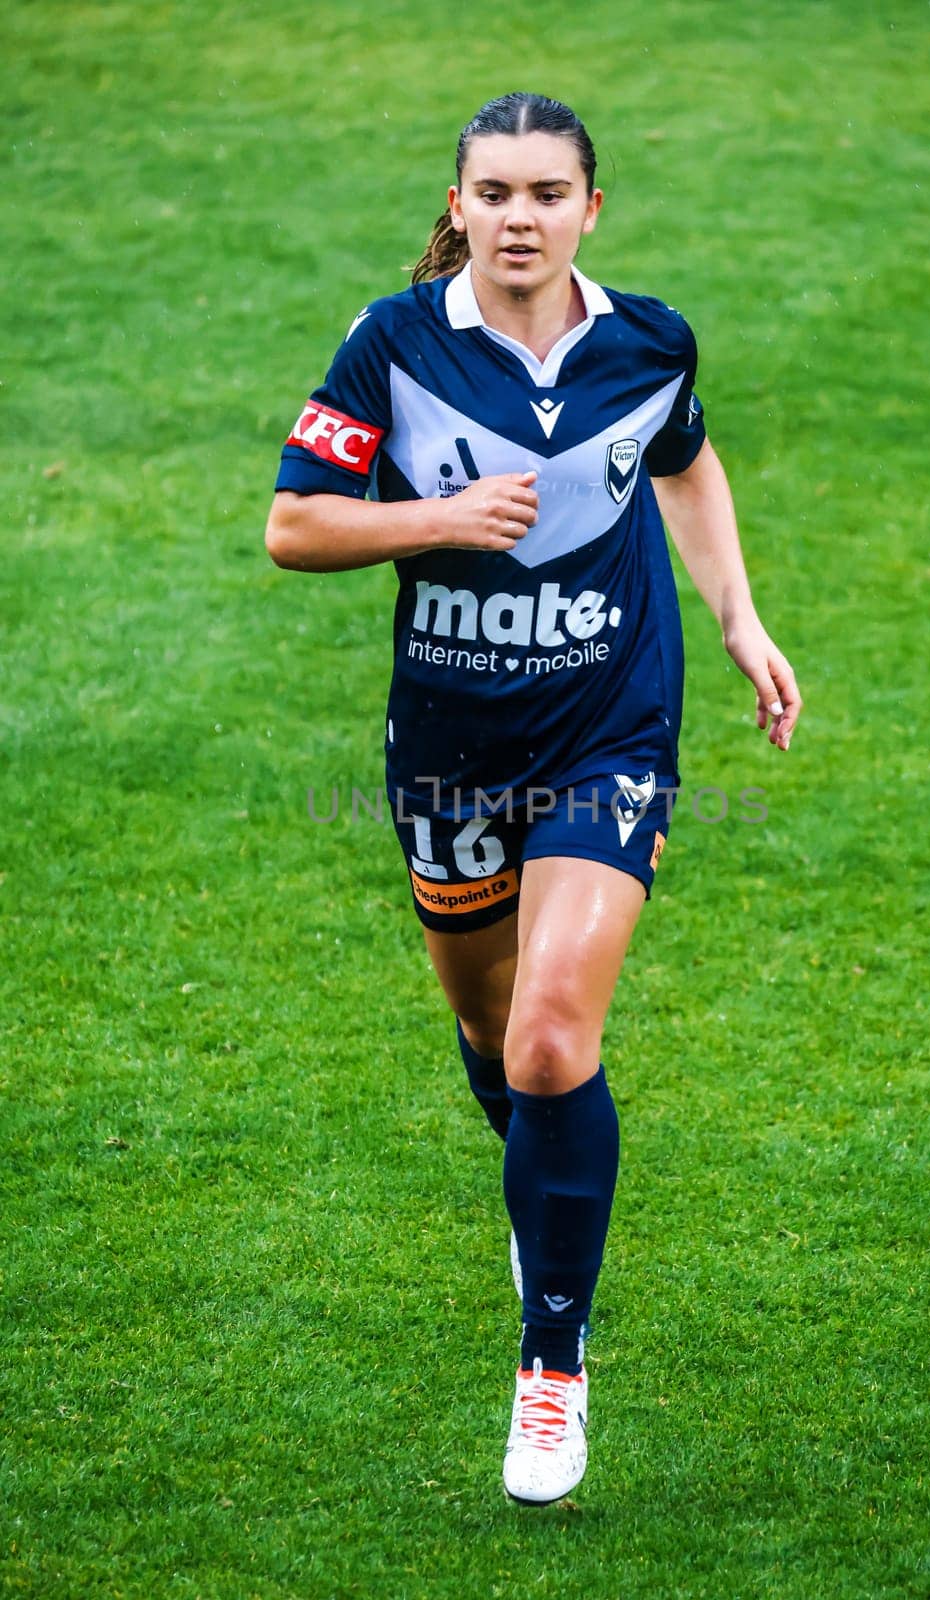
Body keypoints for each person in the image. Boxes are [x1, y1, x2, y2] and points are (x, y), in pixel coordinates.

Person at [265, 91, 801, 1506]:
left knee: (554, 1039)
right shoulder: (392, 345)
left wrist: (739, 619)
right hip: (448, 745)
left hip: (609, 730)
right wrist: (435, 518)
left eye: (547, 193)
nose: (520, 216)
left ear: (589, 211)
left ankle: (550, 1367)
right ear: (463, 205)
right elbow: (294, 525)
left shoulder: (649, 341)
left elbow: (683, 462)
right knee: (490, 1031)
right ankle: (542, 1198)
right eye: (494, 192)